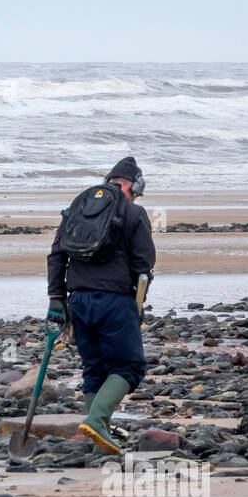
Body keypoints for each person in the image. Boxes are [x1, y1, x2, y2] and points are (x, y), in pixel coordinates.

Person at [46, 156, 156, 454]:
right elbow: (144, 267)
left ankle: (101, 441)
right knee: (130, 367)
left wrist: (56, 300)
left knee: (94, 369)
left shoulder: (77, 210)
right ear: (133, 185)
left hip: (77, 301)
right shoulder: (134, 213)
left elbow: (57, 256)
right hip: (115, 300)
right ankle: (95, 421)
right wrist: (138, 305)